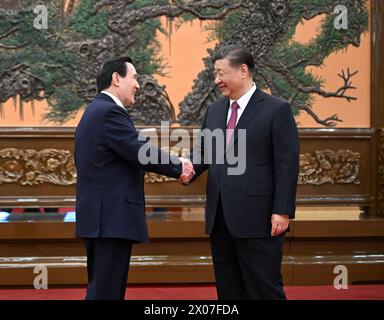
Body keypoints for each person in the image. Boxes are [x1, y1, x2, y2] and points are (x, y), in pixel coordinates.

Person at [183, 45, 300, 300]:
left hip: (259, 219)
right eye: (215, 74)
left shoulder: (276, 109)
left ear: (243, 70)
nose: (217, 81)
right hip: (220, 218)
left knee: (264, 289)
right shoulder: (214, 110)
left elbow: (287, 164)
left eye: (221, 73)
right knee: (228, 290)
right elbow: (204, 150)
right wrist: (186, 167)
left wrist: (282, 211)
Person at [74, 56, 194, 300]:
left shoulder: (95, 110)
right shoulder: (109, 112)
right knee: (106, 292)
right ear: (116, 79)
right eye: (134, 78)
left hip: (102, 218)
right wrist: (178, 165)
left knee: (103, 288)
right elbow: (141, 151)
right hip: (110, 219)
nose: (138, 85)